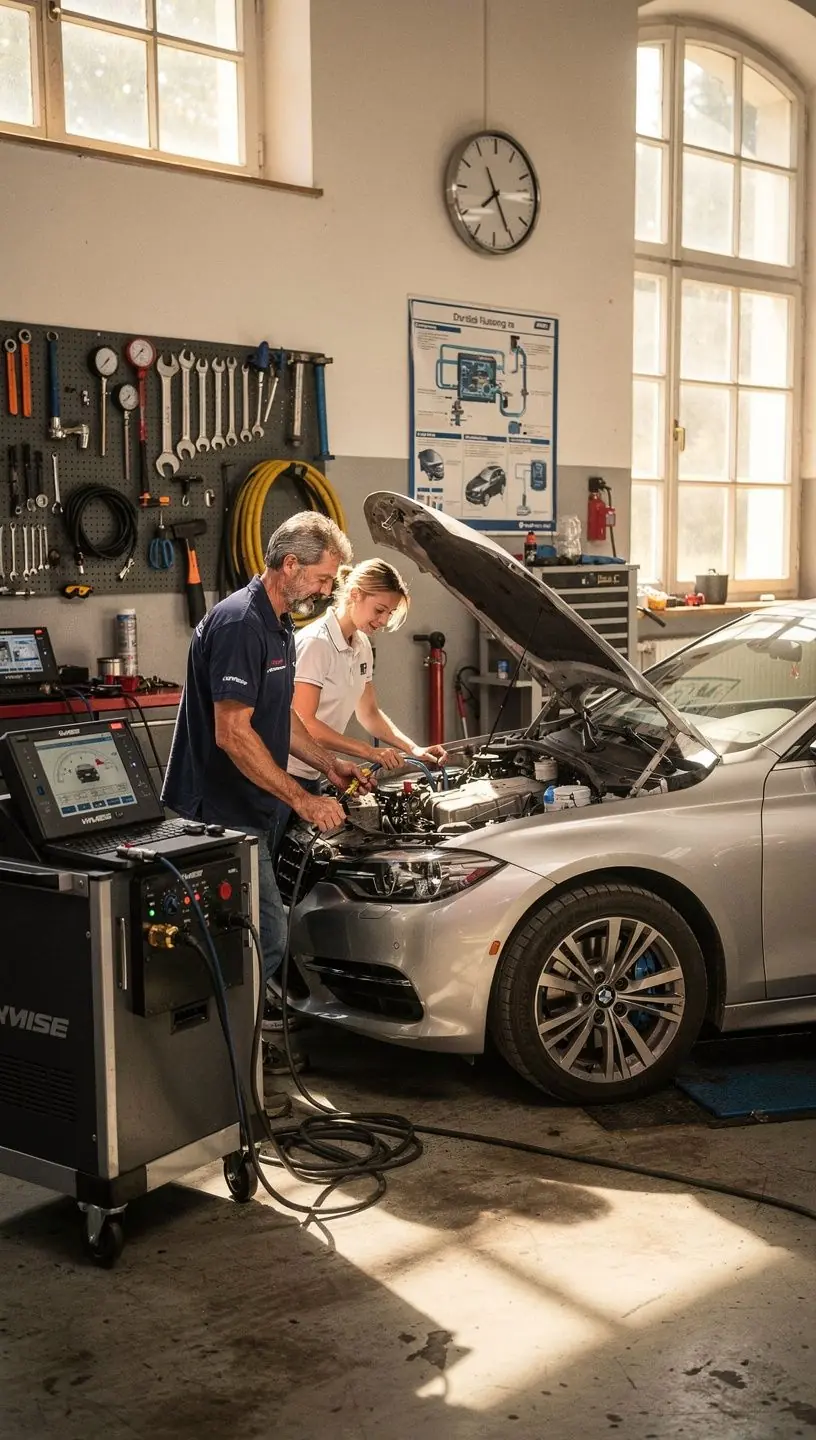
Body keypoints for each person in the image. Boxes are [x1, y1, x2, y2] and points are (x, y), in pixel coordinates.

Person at [162, 512, 369, 1111]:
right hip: (217, 816)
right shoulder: (239, 624)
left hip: (256, 810)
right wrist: (303, 798)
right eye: (325, 578)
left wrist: (327, 764)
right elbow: (233, 734)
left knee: (252, 941)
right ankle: (225, 1076)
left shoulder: (278, 625)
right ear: (291, 565)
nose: (329, 591)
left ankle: (235, 1059)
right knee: (260, 940)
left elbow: (278, 723)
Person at [288, 558, 447, 794]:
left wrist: (413, 749)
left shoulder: (361, 645)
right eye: (379, 610)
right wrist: (369, 752)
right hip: (283, 772)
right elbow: (304, 724)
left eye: (390, 613)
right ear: (354, 594)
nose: (383, 621)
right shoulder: (316, 644)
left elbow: (369, 713)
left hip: (314, 770)